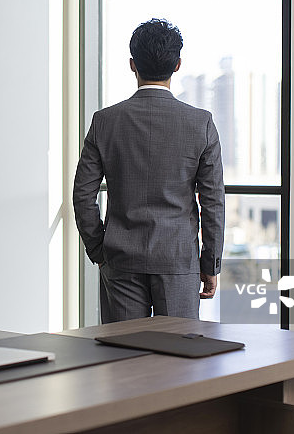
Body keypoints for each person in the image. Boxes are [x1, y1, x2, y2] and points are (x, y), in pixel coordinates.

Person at [73, 18, 225, 322]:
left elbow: (82, 196)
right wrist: (209, 264)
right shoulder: (200, 123)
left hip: (120, 258)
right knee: (180, 361)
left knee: (123, 360)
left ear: (132, 64)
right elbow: (213, 203)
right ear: (178, 64)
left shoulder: (105, 121)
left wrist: (100, 252)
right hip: (178, 260)